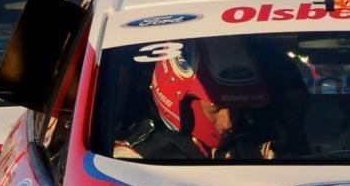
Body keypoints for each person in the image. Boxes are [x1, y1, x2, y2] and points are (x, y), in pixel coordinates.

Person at [117, 43, 273, 160]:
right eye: (216, 109)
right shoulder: (135, 160)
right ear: (178, 102)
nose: (228, 123)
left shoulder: (259, 148)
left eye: (236, 107)